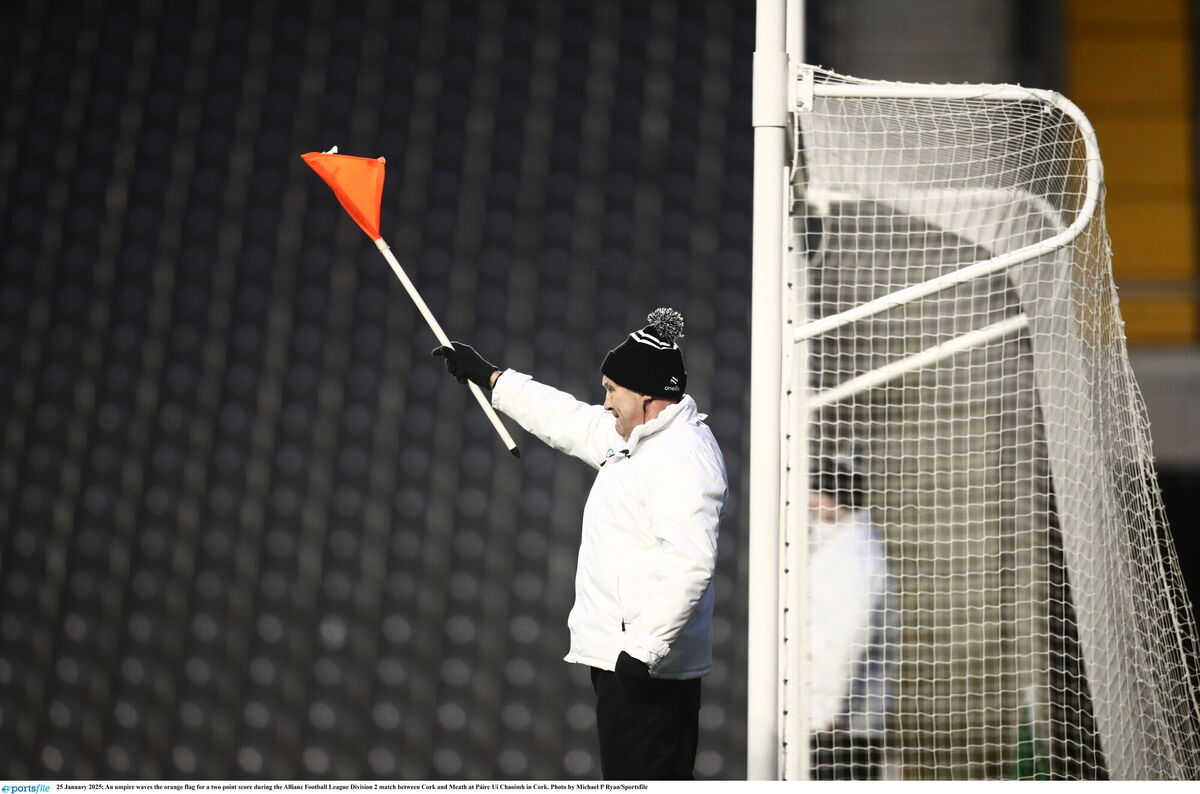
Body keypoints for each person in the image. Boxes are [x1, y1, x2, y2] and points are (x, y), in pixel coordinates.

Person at [433, 308, 728, 780]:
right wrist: (492, 378)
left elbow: (690, 563)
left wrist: (645, 650)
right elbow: (569, 419)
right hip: (626, 658)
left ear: (647, 393)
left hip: (646, 667)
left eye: (612, 389)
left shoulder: (682, 456)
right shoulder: (637, 439)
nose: (605, 401)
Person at [807, 444, 899, 780]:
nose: (810, 501)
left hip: (841, 727)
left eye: (818, 493)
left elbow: (846, 642)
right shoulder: (836, 545)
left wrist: (826, 710)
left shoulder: (851, 554)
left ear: (837, 499)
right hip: (836, 721)